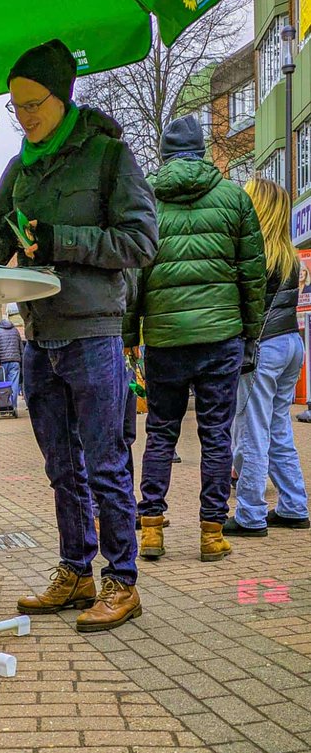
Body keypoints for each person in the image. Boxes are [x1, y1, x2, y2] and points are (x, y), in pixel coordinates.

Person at [0, 38, 158, 632]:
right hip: (38, 333)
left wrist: (61, 242)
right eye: (15, 106)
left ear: (62, 96)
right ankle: (75, 571)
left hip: (93, 332)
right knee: (60, 465)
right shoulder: (20, 166)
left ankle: (121, 580)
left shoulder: (108, 156)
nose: (23, 117)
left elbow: (141, 242)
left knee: (105, 461)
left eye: (33, 104)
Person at [125, 115, 265, 563]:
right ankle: (210, 531)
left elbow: (133, 276)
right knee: (216, 434)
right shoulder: (234, 199)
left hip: (165, 338)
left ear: (165, 154)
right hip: (221, 336)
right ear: (202, 151)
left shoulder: (145, 201)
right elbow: (252, 274)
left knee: (161, 432)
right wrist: (251, 333)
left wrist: (131, 334)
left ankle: (150, 529)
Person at [226, 178, 309, 535]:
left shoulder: (253, 253)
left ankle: (250, 513)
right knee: (278, 428)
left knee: (252, 431)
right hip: (291, 344)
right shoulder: (288, 256)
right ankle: (293, 504)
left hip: (263, 348)